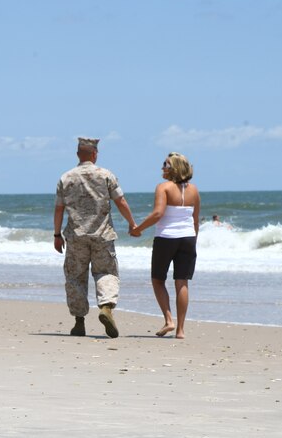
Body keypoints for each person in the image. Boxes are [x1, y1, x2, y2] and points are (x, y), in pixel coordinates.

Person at [53, 137, 137, 338]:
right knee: (106, 272)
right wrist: (132, 223)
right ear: (94, 154)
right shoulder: (106, 175)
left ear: (77, 154)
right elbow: (121, 201)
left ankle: (79, 322)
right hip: (102, 236)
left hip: (76, 237)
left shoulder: (66, 178)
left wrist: (56, 234)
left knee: (75, 278)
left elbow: (59, 209)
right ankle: (106, 307)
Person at [130, 152, 200, 339]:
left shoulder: (164, 187)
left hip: (166, 238)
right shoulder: (194, 190)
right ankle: (181, 330)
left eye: (166, 164)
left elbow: (158, 214)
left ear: (175, 168)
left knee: (158, 279)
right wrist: (193, 241)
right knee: (182, 282)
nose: (163, 167)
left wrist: (138, 229)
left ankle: (169, 320)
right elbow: (195, 221)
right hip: (188, 239)